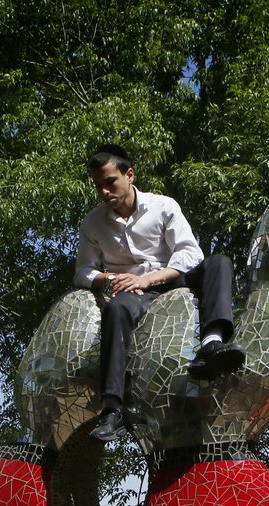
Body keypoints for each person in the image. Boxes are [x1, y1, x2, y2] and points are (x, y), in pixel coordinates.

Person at [74, 144, 243, 443]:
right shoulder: (92, 223)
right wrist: (112, 278)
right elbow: (83, 272)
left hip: (172, 276)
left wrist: (150, 278)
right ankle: (112, 408)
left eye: (110, 182)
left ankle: (212, 343)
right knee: (116, 309)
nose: (104, 192)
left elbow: (190, 254)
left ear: (129, 175)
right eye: (98, 186)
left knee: (219, 262)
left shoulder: (163, 206)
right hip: (134, 290)